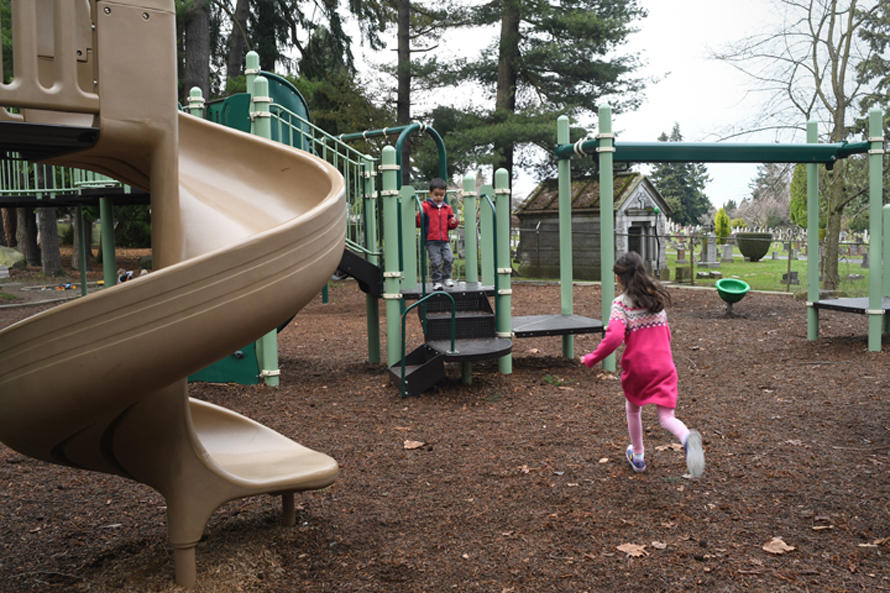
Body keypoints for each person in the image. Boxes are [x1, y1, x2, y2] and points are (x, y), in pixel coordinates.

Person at [582, 251, 704, 477]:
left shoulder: (621, 305)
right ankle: (687, 438)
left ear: (618, 278)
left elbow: (614, 338)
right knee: (667, 418)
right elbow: (666, 334)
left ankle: (638, 456)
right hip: (664, 365)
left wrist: (591, 358)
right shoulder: (655, 300)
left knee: (633, 408)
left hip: (639, 369)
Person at [416, 177, 459, 290]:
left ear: (444, 193)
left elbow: (450, 225)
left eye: (442, 195)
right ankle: (436, 281)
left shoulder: (447, 208)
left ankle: (446, 278)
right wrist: (417, 217)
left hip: (444, 239)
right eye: (436, 194)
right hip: (431, 240)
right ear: (430, 193)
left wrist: (453, 222)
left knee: (449, 258)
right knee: (435, 261)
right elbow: (419, 223)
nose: (439, 197)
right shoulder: (425, 207)